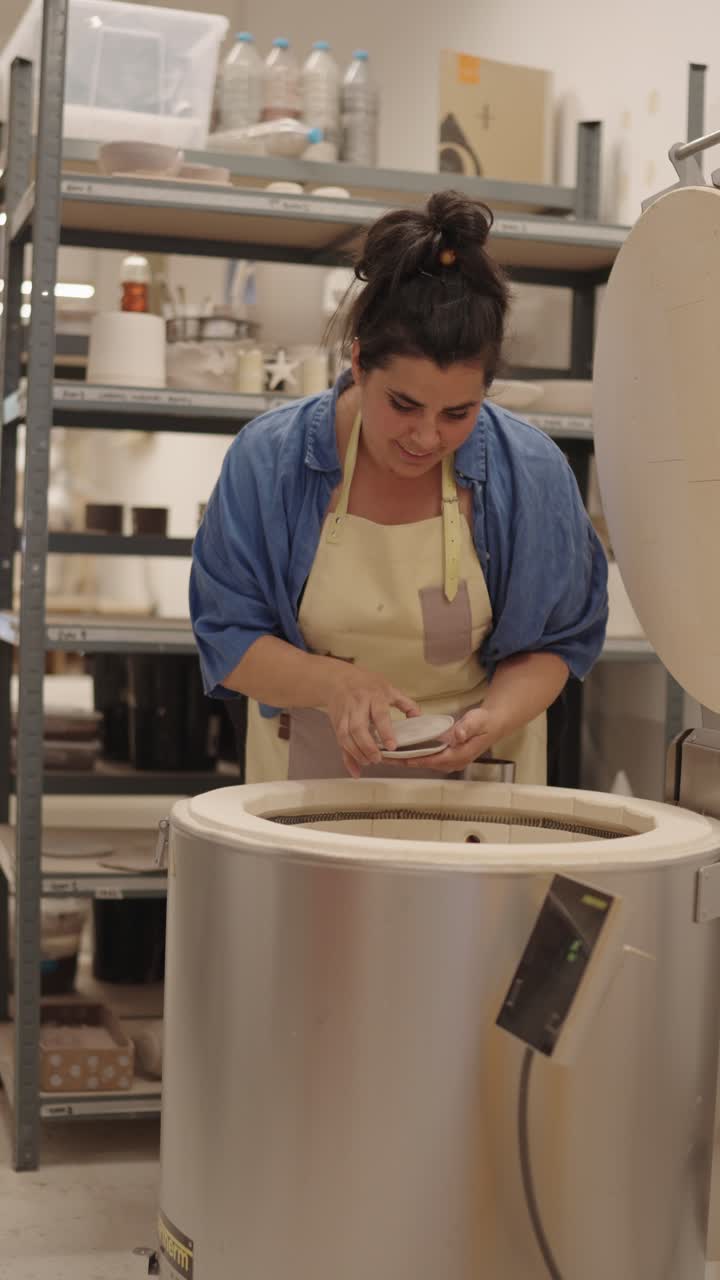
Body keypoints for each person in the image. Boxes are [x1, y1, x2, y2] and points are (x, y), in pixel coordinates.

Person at [190, 191, 608, 785]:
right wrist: (334, 683)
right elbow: (228, 634)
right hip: (308, 775)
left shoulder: (529, 470)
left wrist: (494, 718)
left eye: (458, 413)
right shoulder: (271, 460)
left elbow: (557, 641)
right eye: (403, 405)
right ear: (359, 362)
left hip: (478, 773)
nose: (426, 437)